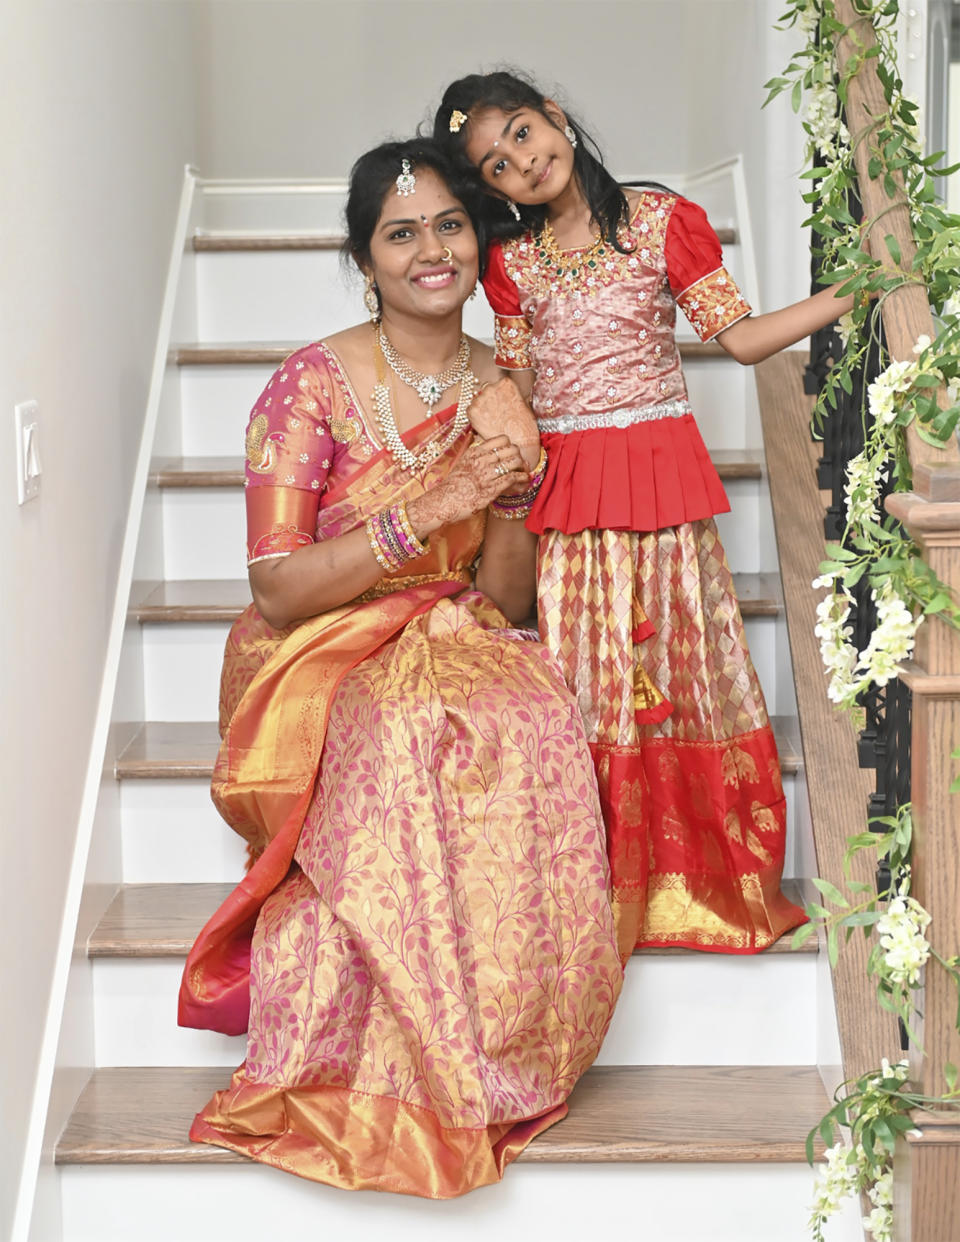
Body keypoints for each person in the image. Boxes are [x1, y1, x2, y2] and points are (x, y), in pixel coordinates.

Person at [177, 138, 624, 1198]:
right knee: (403, 738)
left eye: (450, 225)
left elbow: (509, 597)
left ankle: (507, 1039)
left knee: (538, 719)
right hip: (316, 645)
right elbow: (278, 589)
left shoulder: (502, 381)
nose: (432, 249)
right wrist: (432, 499)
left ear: (479, 239)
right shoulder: (308, 386)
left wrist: (511, 484)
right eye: (400, 231)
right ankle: (407, 1059)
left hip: (454, 629)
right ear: (364, 257)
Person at [433, 71, 851, 959]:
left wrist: (859, 291)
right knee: (588, 687)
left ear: (554, 114)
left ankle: (701, 880)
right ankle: (597, 890)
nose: (521, 161)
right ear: (492, 192)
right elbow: (523, 391)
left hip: (661, 482)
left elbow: (738, 340)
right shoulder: (510, 265)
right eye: (496, 166)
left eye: (520, 132)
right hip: (576, 496)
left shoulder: (662, 222)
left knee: (681, 676)